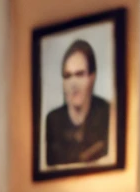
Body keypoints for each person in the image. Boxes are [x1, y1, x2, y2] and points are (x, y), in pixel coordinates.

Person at [43, 39, 111, 167]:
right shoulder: (53, 120)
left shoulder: (106, 113)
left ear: (92, 77)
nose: (73, 83)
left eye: (80, 74)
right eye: (67, 76)